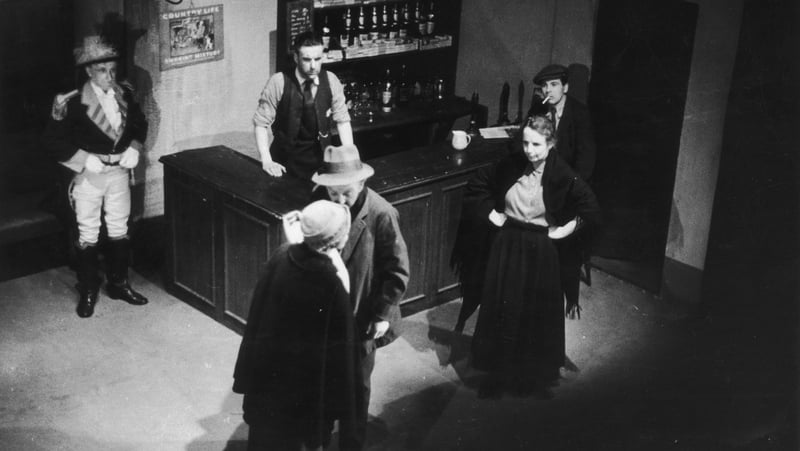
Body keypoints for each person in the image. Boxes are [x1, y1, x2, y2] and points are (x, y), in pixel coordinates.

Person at [452, 116, 601, 398]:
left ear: (551, 143)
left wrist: (568, 227)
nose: (530, 150)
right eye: (525, 143)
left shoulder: (563, 173)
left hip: (541, 249)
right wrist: (490, 212)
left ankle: (531, 377)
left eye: (536, 144)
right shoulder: (510, 164)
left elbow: (591, 209)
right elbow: (477, 186)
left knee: (534, 311)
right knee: (501, 307)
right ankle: (497, 373)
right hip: (507, 243)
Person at [232, 200, 360, 450]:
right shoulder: (331, 284)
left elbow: (258, 316)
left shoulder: (281, 255)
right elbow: (342, 354)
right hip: (305, 396)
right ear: (336, 240)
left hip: (269, 383)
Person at [310, 144, 410, 448]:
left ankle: (351, 444)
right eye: (333, 194)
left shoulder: (382, 214)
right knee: (323, 382)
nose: (339, 202)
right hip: (326, 314)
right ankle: (320, 438)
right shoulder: (320, 201)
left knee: (355, 388)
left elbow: (398, 271)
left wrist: (381, 314)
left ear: (362, 184)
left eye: (347, 194)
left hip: (363, 316)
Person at [43, 35, 149, 318]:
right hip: (88, 176)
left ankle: (118, 284)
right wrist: (83, 158)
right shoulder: (73, 103)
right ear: (89, 71)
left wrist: (135, 148)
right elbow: (52, 141)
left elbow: (139, 124)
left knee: (119, 228)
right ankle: (88, 288)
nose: (109, 76)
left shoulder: (124, 93)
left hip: (118, 174)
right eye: (102, 70)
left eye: (112, 69)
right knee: (88, 232)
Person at [532, 63, 598, 323]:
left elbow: (587, 159)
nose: (549, 90)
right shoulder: (539, 109)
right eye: (545, 86)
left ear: (566, 87)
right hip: (543, 182)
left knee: (564, 235)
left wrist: (568, 187)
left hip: (570, 185)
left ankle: (562, 290)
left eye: (554, 84)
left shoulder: (579, 113)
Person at [253, 31, 354, 179]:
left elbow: (343, 121)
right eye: (306, 60)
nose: (313, 66)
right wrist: (267, 161)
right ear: (296, 58)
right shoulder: (279, 82)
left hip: (321, 163)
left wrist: (350, 158)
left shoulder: (331, 80)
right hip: (284, 164)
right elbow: (260, 124)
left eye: (318, 59)